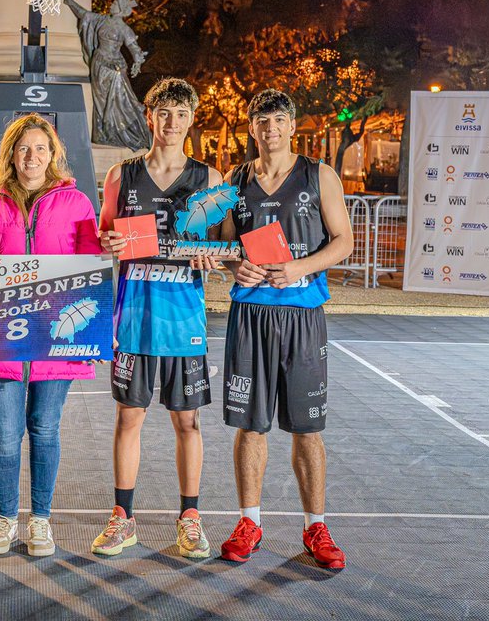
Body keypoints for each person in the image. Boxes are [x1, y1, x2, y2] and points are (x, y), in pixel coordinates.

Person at [217, 89, 354, 569]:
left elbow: (344, 242)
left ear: (292, 126)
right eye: (261, 120)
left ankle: (315, 526)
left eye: (278, 119)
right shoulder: (236, 180)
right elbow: (226, 248)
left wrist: (302, 268)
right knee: (250, 425)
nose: (269, 128)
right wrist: (232, 266)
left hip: (301, 315)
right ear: (251, 129)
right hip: (251, 315)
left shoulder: (319, 175)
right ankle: (249, 521)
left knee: (306, 427)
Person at [0, 113, 102, 557]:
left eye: (41, 147)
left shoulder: (76, 203)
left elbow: (90, 268)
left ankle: (40, 520)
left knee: (44, 427)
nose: (32, 156)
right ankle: (5, 519)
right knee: (5, 433)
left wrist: (99, 331)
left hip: (56, 338)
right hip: (0, 338)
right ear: (10, 154)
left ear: (53, 153)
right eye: (24, 148)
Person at [93, 78, 223, 559]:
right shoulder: (120, 175)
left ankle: (190, 517)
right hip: (133, 315)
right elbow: (104, 234)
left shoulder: (209, 178)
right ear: (150, 117)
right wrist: (107, 242)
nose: (171, 123)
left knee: (187, 422)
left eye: (180, 114)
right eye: (163, 113)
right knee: (130, 417)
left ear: (191, 120)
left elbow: (225, 243)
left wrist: (211, 255)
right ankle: (122, 518)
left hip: (183, 317)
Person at [64, 0, 153, 151]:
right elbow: (83, 14)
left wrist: (137, 62)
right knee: (101, 100)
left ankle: (118, 131)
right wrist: (69, 0)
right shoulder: (101, 20)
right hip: (100, 64)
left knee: (122, 97)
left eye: (115, 3)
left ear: (121, 9)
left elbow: (134, 48)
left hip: (116, 65)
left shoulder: (124, 29)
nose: (111, 5)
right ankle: (104, 132)